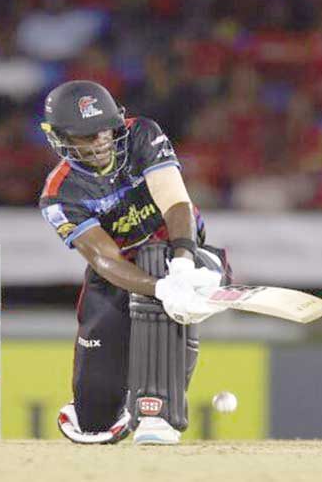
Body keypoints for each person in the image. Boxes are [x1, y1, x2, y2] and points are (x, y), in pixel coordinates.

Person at [38, 80, 229, 445]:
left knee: (155, 257)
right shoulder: (59, 193)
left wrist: (183, 267)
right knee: (95, 419)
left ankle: (157, 414)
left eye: (103, 131)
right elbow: (102, 258)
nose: (100, 142)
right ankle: (109, 413)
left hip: (179, 250)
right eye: (85, 136)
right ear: (61, 138)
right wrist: (161, 288)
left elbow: (175, 201)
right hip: (118, 275)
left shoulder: (142, 134)